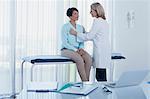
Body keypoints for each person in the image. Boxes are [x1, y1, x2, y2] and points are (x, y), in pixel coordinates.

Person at [70, 3, 111, 81]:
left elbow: (90, 36)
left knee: (100, 76)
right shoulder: (104, 22)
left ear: (96, 11)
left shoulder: (97, 21)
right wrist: (85, 33)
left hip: (100, 51)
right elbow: (96, 35)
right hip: (105, 50)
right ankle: (104, 91)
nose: (90, 12)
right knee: (102, 74)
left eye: (91, 10)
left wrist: (76, 33)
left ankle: (103, 92)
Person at [61, 7, 92, 81]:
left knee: (89, 59)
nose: (77, 15)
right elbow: (65, 43)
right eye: (75, 14)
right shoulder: (65, 27)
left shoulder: (80, 27)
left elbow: (82, 40)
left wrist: (81, 48)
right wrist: (75, 50)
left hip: (78, 49)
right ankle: (85, 82)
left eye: (78, 14)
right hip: (66, 50)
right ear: (70, 16)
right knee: (79, 59)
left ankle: (86, 82)